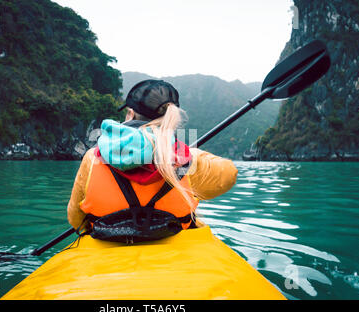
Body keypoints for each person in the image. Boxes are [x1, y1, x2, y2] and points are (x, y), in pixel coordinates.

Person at [67, 80, 238, 243]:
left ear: (131, 113)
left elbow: (75, 218)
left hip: (107, 246)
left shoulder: (93, 157)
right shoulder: (187, 160)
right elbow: (229, 174)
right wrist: (191, 155)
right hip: (174, 249)